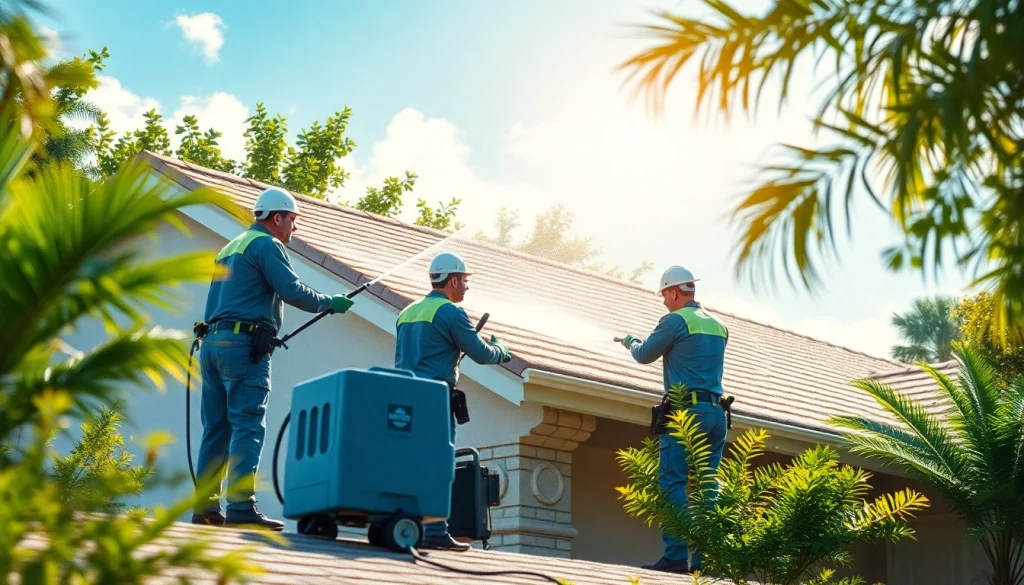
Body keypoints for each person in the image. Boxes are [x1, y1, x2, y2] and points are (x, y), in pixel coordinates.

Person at [192, 187, 355, 530]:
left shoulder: (230, 247)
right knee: (247, 424)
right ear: (276, 217)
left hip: (213, 344)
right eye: (293, 220)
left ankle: (205, 508)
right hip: (242, 347)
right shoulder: (268, 245)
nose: (295, 228)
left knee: (216, 429)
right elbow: (292, 290)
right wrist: (330, 302)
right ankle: (240, 506)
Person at [394, 251, 512, 551]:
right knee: (438, 462)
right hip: (434, 399)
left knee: (410, 462)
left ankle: (409, 525)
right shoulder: (451, 313)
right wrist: (500, 349)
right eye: (465, 281)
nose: (467, 288)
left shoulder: (406, 313)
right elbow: (483, 354)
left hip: (403, 399)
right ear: (454, 279)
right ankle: (434, 531)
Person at [617, 266, 729, 574]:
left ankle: (677, 557)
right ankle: (708, 561)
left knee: (673, 481)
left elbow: (644, 355)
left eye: (665, 295)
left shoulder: (674, 321)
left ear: (675, 292)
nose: (664, 302)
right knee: (708, 487)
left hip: (686, 413)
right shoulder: (719, 326)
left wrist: (630, 341)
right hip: (716, 414)